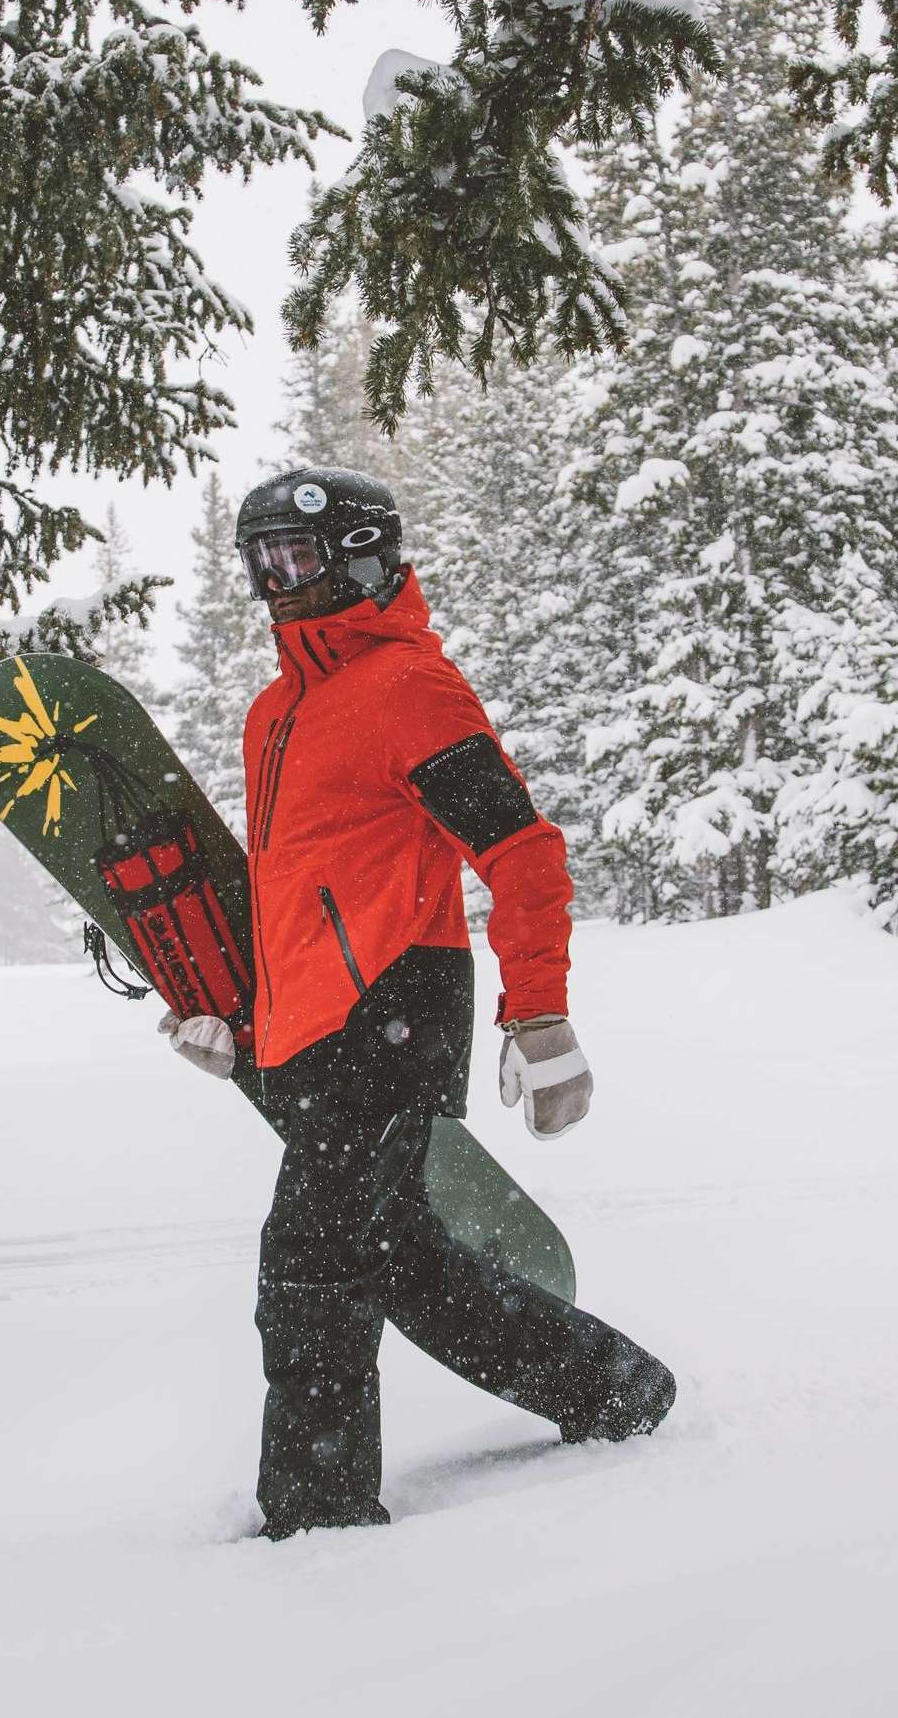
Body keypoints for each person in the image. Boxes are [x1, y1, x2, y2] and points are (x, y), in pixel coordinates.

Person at [163, 464, 676, 1539]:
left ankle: (319, 1519)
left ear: (362, 556)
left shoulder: (408, 689)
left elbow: (522, 853)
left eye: (298, 558)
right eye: (259, 562)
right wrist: (245, 1026)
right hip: (315, 1029)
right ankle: (610, 1386)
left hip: (396, 1010)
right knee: (404, 1259)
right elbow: (297, 899)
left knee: (307, 1268)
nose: (278, 582)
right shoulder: (273, 715)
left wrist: (539, 1015)